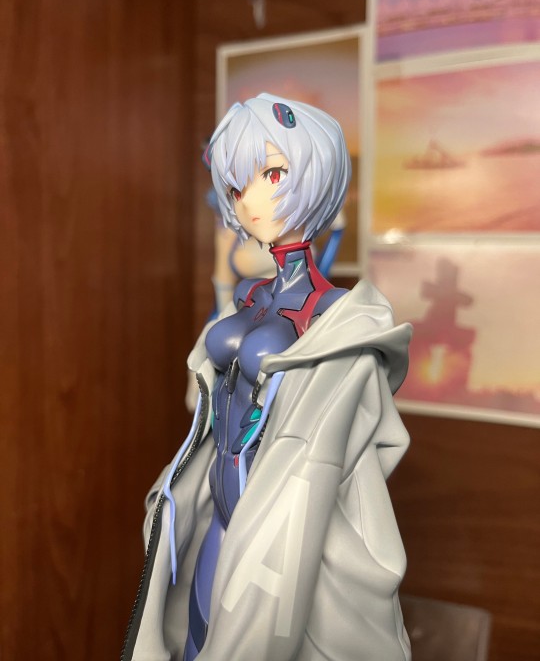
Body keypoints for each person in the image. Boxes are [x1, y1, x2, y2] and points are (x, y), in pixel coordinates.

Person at [121, 93, 412, 661]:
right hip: (219, 513)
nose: (250, 200)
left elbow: (341, 445)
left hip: (284, 530)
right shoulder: (249, 297)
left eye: (272, 174)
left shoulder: (336, 319)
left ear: (314, 174)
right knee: (196, 641)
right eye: (237, 187)